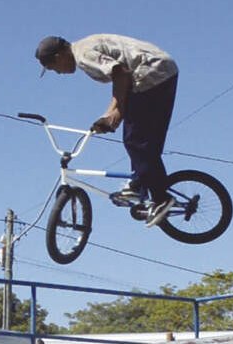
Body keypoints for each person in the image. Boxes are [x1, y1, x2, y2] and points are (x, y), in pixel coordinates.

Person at [34, 34, 179, 227]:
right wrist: (109, 115)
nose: (58, 73)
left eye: (53, 68)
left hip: (151, 72)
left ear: (59, 56)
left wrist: (116, 113)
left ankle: (161, 198)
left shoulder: (83, 54)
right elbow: (122, 81)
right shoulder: (84, 47)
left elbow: (121, 74)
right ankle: (140, 182)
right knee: (144, 140)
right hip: (162, 70)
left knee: (135, 140)